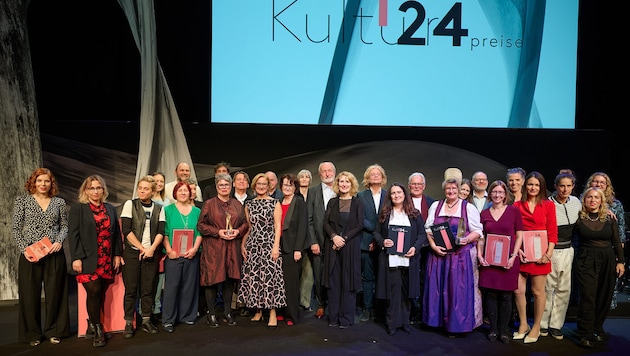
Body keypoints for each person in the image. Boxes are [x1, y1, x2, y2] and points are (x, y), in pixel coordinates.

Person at [12, 168, 71, 347]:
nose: (43, 184)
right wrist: (25, 249)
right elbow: (15, 229)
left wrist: (60, 241)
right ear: (33, 183)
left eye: (47, 181)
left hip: (53, 253)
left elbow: (64, 226)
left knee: (55, 294)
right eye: (39, 181)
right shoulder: (22, 201)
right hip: (31, 255)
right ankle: (32, 333)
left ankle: (54, 331)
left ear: (51, 183)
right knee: (30, 295)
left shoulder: (59, 202)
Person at [423, 176, 484, 337]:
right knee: (437, 289)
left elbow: (477, 231)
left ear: (459, 191)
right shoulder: (436, 206)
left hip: (459, 257)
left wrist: (466, 239)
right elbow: (429, 229)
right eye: (448, 189)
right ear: (444, 190)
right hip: (439, 255)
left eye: (454, 189)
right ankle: (436, 322)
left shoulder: (467, 207)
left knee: (456, 290)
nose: (451, 191)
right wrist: (433, 245)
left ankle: (455, 325)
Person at [67, 175, 122, 347]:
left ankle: (91, 324)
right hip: (87, 258)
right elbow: (73, 235)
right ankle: (98, 328)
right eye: (92, 188)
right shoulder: (79, 209)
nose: (96, 191)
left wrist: (117, 255)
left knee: (98, 293)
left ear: (103, 190)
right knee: (94, 291)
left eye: (98, 188)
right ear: (86, 190)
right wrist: (76, 257)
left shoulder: (110, 209)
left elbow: (116, 234)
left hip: (106, 257)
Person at [575, 187, 625, 348]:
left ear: (601, 200)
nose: (593, 200)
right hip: (586, 259)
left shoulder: (609, 218)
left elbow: (617, 241)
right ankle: (585, 333)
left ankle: (597, 329)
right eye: (590, 197)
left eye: (596, 197)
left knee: (604, 296)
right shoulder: (579, 218)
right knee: (588, 296)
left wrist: (621, 262)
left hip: (607, 260)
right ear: (585, 199)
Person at [374, 183, 427, 335]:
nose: (396, 195)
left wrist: (415, 248)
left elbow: (422, 235)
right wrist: (383, 242)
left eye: (399, 192)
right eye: (393, 193)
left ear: (405, 194)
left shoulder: (414, 214)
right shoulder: (385, 213)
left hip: (409, 259)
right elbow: (376, 233)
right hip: (390, 260)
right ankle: (392, 324)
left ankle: (405, 322)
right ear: (389, 196)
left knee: (407, 291)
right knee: (392, 292)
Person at [197, 174, 249, 328]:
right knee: (212, 281)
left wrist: (238, 232)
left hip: (232, 247)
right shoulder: (209, 204)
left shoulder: (237, 205)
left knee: (229, 280)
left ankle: (227, 312)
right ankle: (211, 314)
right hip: (214, 247)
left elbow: (245, 224)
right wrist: (217, 232)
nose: (224, 187)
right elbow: (201, 225)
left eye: (227, 184)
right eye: (221, 185)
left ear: (231, 186)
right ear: (216, 187)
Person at [512, 171, 558, 343]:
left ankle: (536, 326)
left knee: (538, 291)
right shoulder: (517, 205)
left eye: (537, 185)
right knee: (518, 290)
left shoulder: (548, 205)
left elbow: (553, 232)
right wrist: (518, 251)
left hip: (541, 256)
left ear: (541, 187)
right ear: (526, 185)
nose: (533, 187)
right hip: (522, 253)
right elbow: (514, 231)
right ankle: (523, 324)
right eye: (530, 184)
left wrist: (548, 253)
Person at [477, 180, 524, 343]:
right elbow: (481, 238)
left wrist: (513, 256)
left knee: (506, 296)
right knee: (490, 295)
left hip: (508, 260)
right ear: (490, 194)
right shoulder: (484, 214)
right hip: (489, 262)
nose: (497, 195)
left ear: (505, 195)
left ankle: (504, 330)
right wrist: (480, 256)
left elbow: (520, 235)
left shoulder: (513, 211)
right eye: (494, 192)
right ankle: (493, 329)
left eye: (500, 192)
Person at [239, 173, 286, 328]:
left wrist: (275, 247)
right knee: (255, 278)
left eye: (264, 184)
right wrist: (243, 244)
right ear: (254, 186)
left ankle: (272, 312)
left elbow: (277, 226)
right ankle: (258, 310)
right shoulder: (249, 204)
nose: (261, 186)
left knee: (270, 278)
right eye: (258, 184)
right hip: (253, 245)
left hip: (269, 245)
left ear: (269, 186)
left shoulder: (275, 203)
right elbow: (250, 227)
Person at [120, 175, 165, 338]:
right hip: (133, 252)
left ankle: (146, 319)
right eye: (140, 188)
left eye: (146, 188)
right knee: (131, 289)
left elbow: (161, 231)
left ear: (153, 191)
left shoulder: (159, 208)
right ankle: (128, 322)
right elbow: (126, 230)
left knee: (148, 288)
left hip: (151, 253)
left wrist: (151, 249)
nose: (142, 191)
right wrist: (141, 248)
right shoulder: (130, 204)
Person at [540, 169, 581, 340]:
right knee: (547, 288)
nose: (564, 189)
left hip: (568, 250)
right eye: (561, 186)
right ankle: (542, 324)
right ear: (555, 186)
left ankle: (556, 325)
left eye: (568, 186)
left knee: (564, 289)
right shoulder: (547, 203)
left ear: (573, 187)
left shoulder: (576, 203)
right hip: (550, 250)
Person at [323, 171, 364, 329]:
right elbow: (325, 223)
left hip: (350, 246)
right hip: (333, 246)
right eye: (341, 182)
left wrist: (343, 239)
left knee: (348, 283)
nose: (344, 184)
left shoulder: (357, 202)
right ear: (337, 184)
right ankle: (333, 317)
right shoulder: (332, 202)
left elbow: (360, 225)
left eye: (347, 182)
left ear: (352, 184)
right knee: (334, 283)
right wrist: (334, 237)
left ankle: (346, 318)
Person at [161, 181, 203, 333]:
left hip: (191, 253)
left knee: (189, 286)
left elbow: (199, 232)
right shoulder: (167, 210)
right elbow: (164, 233)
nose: (184, 193)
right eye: (180, 191)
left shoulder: (197, 211)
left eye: (186, 191)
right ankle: (168, 320)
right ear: (175, 193)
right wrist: (169, 250)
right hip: (173, 254)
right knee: (172, 287)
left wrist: (195, 249)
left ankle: (187, 315)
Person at [356, 164, 387, 322]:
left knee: (383, 277)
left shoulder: (388, 195)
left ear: (382, 177)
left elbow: (389, 218)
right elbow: (360, 218)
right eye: (372, 174)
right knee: (367, 278)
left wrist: (378, 237)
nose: (375, 176)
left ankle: (380, 310)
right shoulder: (361, 196)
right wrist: (374, 234)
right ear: (367, 178)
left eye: (378, 174)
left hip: (383, 242)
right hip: (366, 241)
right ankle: (367, 308)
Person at [307, 161, 337, 319]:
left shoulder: (342, 190)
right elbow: (309, 219)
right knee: (319, 275)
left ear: (334, 172)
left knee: (335, 274)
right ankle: (320, 304)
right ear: (320, 175)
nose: (327, 174)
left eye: (329, 170)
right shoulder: (313, 192)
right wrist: (313, 241)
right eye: (324, 171)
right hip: (318, 240)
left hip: (337, 242)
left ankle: (334, 304)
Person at [278, 174, 308, 325]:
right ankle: (281, 311)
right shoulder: (278, 202)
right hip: (278, 247)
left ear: (295, 187)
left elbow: (303, 227)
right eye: (284, 185)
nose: (287, 187)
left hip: (292, 248)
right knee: (280, 282)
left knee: (291, 283)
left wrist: (298, 249)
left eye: (290, 185)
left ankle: (292, 315)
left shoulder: (299, 202)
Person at [407, 172, 435, 324]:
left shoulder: (432, 202)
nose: (416, 187)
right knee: (410, 279)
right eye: (414, 184)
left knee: (425, 279)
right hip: (408, 246)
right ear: (409, 186)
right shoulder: (403, 201)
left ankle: (422, 311)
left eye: (419, 184)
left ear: (424, 186)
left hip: (426, 248)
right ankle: (410, 310)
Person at [149, 171, 169, 324]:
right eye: (156, 181)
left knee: (161, 280)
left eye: (161, 181)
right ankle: (145, 310)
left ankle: (157, 309)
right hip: (148, 245)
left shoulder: (168, 202)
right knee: (149, 280)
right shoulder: (144, 201)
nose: (159, 184)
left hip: (163, 246)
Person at [297, 168, 314, 311]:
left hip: (311, 239)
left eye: (306, 177)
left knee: (308, 273)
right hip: (296, 240)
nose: (304, 179)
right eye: (301, 177)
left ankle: (305, 301)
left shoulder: (314, 194)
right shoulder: (294, 195)